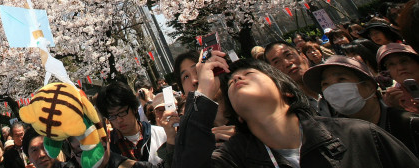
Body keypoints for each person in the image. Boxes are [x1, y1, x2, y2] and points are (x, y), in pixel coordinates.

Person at [172, 51, 419, 166]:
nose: (236, 79)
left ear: (286, 90)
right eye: (232, 82)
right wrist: (203, 92)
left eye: (248, 73)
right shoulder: (233, 160)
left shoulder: (360, 136)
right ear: (236, 113)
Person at [302, 55, 419, 156]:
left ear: (369, 87)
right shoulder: (335, 141)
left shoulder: (410, 124)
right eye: (325, 84)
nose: (333, 89)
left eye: (341, 79)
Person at [95, 81, 168, 164]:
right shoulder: (108, 148)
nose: (119, 120)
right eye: (112, 116)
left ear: (134, 108)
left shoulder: (160, 134)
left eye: (122, 112)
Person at [172, 51, 234, 143]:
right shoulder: (192, 138)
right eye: (186, 77)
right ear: (184, 94)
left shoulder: (247, 113)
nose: (194, 80)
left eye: (198, 70)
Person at [263, 41, 332, 116]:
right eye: (277, 62)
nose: (287, 63)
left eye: (288, 55)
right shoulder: (290, 111)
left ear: (303, 56)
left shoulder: (333, 82)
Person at [378, 42, 419, 114]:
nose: (400, 68)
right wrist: (395, 109)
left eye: (404, 61)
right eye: (391, 64)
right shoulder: (391, 99)